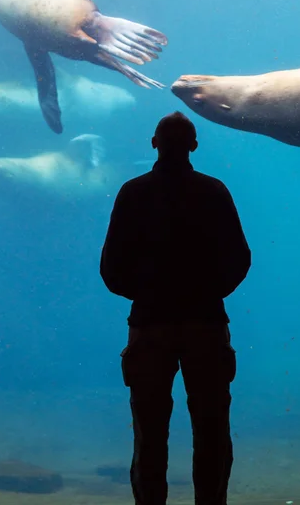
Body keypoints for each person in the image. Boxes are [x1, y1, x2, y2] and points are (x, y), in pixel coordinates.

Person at [100, 111, 251, 505]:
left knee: (148, 434)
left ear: (154, 143)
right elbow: (240, 259)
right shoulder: (214, 191)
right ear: (194, 146)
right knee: (213, 429)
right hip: (206, 322)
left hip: (149, 325)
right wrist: (208, 293)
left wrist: (146, 295)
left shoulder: (132, 192)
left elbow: (110, 268)